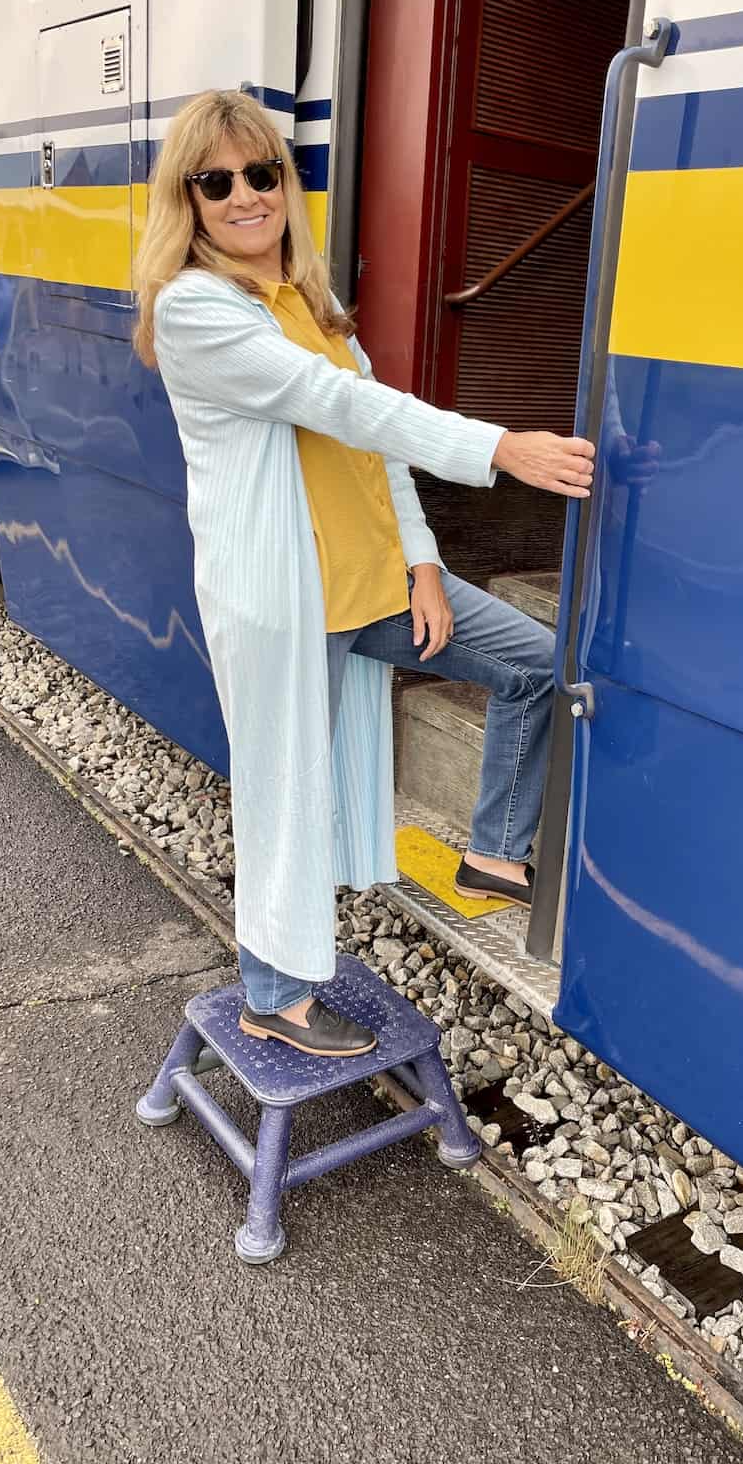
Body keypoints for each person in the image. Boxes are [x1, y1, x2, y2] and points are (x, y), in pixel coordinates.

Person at [133, 90, 593, 1060]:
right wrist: (501, 447)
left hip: (374, 581)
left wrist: (424, 565)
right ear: (189, 199)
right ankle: (273, 998)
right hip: (285, 601)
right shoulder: (197, 310)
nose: (246, 195)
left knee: (535, 661)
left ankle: (491, 851)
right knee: (283, 794)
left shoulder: (309, 303)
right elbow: (336, 403)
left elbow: (373, 448)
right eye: (218, 181)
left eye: (263, 173)